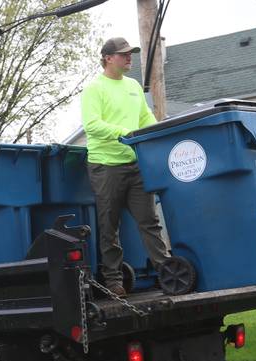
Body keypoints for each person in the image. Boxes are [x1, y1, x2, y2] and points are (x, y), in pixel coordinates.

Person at [81, 36, 171, 296]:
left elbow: (145, 117)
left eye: (130, 53)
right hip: (105, 165)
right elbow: (92, 125)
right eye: (123, 54)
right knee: (109, 226)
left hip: (135, 164)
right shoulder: (94, 89)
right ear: (108, 58)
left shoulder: (133, 86)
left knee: (150, 222)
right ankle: (113, 281)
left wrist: (157, 133)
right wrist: (125, 132)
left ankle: (166, 273)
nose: (129, 57)